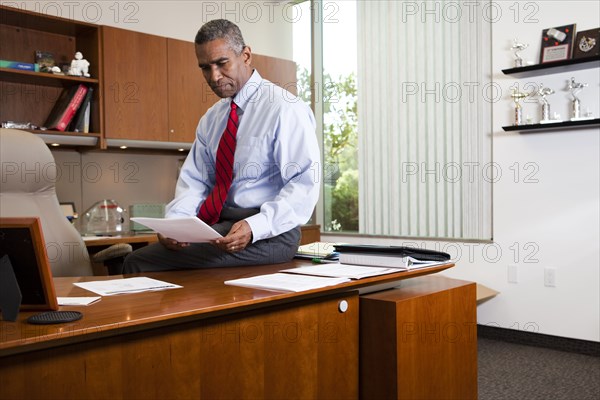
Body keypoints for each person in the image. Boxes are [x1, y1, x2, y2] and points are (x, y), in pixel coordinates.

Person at [123, 19, 320, 273]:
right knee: (153, 256)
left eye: (221, 63)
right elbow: (196, 183)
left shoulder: (285, 108)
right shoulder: (212, 119)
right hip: (223, 225)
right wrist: (173, 225)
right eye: (205, 67)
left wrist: (254, 226)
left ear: (246, 55)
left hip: (271, 232)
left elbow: (304, 184)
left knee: (139, 261)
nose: (214, 76)